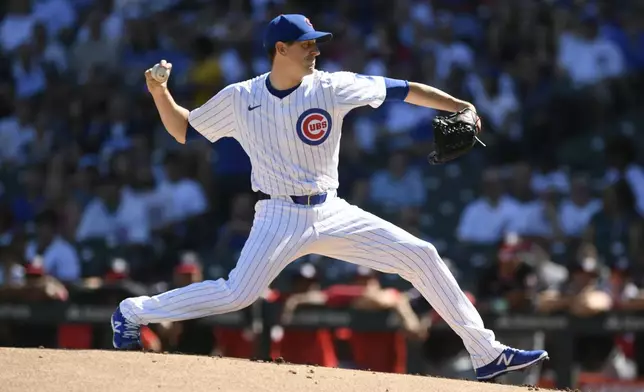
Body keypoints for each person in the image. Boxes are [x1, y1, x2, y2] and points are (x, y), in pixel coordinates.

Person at [110, 14, 548, 381]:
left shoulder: (332, 86)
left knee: (422, 255)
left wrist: (457, 104)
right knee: (237, 295)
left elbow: (404, 88)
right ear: (280, 49)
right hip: (279, 212)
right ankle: (133, 312)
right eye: (306, 44)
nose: (315, 50)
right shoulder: (241, 97)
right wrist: (159, 93)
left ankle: (486, 354)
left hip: (331, 208)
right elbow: (184, 129)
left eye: (316, 43)